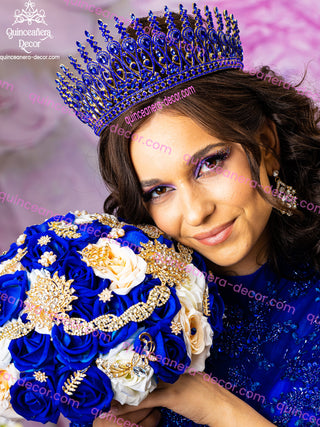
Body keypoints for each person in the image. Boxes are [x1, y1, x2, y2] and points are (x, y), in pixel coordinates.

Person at [56, 4, 320, 426]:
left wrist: (202, 402)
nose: (196, 212)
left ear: (266, 143)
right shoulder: (142, 314)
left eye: (210, 164)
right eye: (160, 191)